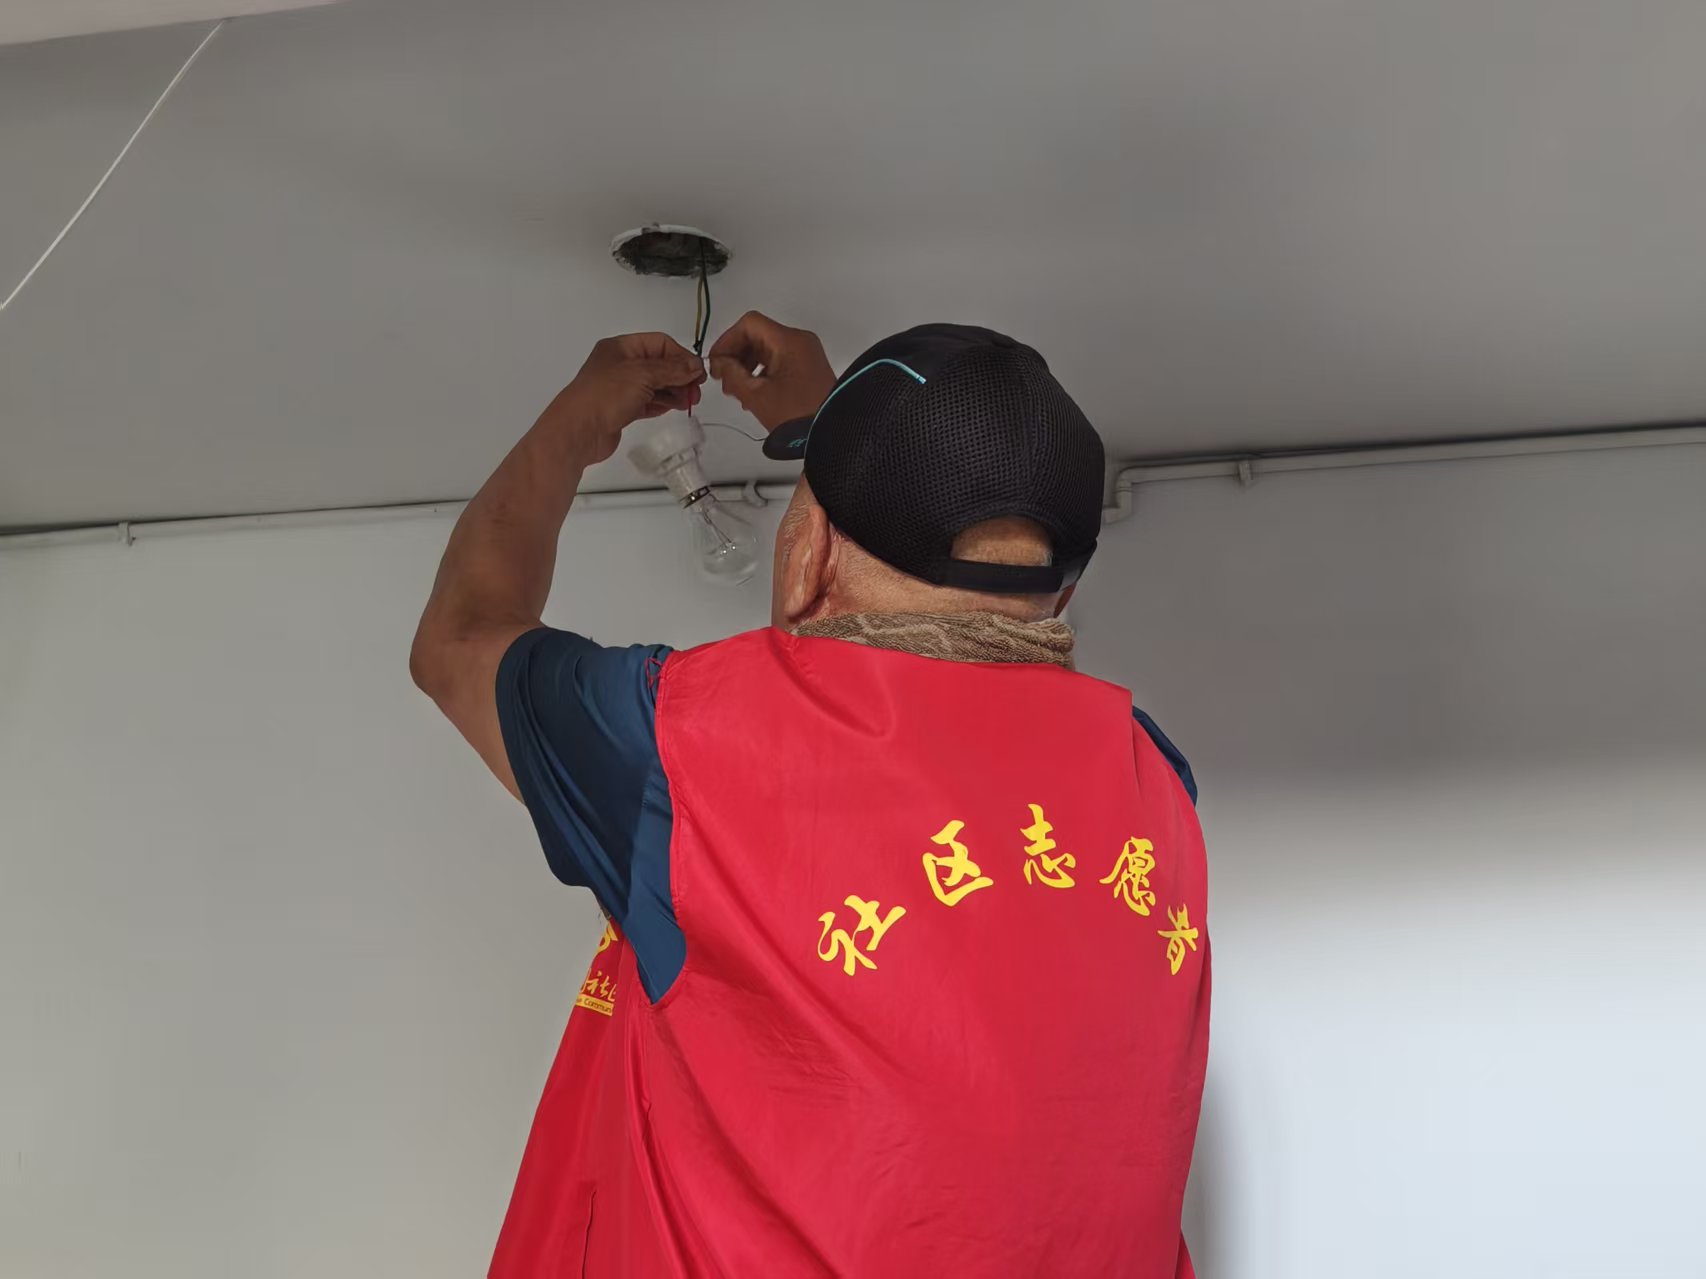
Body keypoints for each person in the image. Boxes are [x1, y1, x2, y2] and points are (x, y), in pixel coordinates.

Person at [411, 312, 1210, 1278]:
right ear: (1064, 590)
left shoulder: (679, 746)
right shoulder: (1155, 779)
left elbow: (461, 636)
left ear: (805, 560)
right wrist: (846, 430)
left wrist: (577, 422)